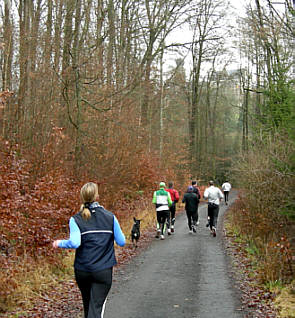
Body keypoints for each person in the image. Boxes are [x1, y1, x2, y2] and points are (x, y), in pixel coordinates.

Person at [52, 182, 125, 318]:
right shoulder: (110, 217)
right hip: (103, 270)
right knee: (95, 308)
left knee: (88, 305)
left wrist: (59, 243)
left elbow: (74, 243)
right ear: (97, 196)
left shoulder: (76, 219)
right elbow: (122, 242)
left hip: (82, 270)